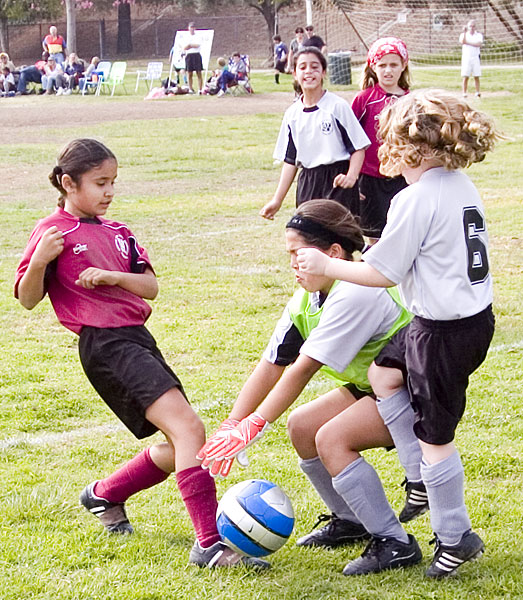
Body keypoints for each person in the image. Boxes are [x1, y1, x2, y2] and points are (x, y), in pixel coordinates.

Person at [14, 138, 269, 570]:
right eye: (100, 183)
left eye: (113, 182)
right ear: (68, 183)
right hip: (105, 344)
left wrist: (112, 276)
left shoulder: (119, 232)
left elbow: (150, 286)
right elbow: (26, 299)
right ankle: (209, 545)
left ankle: (104, 495)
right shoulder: (52, 231)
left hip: (137, 338)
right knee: (189, 428)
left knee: (183, 443)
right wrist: (39, 261)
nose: (109, 192)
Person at [295, 90, 501, 577]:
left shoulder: (416, 197)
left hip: (443, 333)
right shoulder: (460, 184)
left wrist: (326, 265)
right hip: (464, 320)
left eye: (390, 143)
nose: (385, 152)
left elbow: (383, 273)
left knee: (435, 438)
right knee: (384, 374)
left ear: (415, 148)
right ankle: (417, 478)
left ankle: (455, 536)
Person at [198, 199, 425, 574]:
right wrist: (232, 423)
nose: (292, 264)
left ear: (333, 253)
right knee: (302, 427)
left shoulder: (356, 291)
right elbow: (272, 364)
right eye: (289, 254)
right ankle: (350, 520)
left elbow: (303, 369)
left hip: (413, 389)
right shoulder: (307, 296)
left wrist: (255, 424)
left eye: (298, 254)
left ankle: (394, 542)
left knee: (332, 439)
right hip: (373, 386)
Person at [260, 47, 369, 221]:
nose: (309, 71)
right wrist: (277, 200)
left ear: (323, 72)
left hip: (337, 181)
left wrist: (351, 177)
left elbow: (358, 147)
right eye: (302, 67)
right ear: (294, 74)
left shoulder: (337, 107)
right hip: (308, 182)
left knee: (337, 234)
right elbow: (290, 161)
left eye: (315, 67)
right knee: (309, 233)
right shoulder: (292, 114)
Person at [351, 37, 411, 243]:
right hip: (370, 178)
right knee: (375, 237)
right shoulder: (364, 99)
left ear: (403, 65)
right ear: (372, 67)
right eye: (382, 65)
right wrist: (352, 176)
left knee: (402, 234)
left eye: (394, 65)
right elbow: (350, 139)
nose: (388, 71)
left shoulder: (411, 100)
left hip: (403, 176)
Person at [460, 20, 483, 98]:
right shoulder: (463, 35)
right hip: (466, 57)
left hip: (475, 57)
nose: (472, 28)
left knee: (476, 75)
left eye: (473, 26)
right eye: (470, 26)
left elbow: (479, 44)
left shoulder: (479, 35)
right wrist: (464, 33)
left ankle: (477, 92)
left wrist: (468, 43)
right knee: (465, 76)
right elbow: (463, 41)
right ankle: (464, 92)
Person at [184, 22, 203, 94]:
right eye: (190, 27)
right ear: (188, 28)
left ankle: (200, 89)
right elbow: (185, 47)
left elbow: (197, 45)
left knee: (199, 73)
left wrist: (190, 45)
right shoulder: (186, 37)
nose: (191, 29)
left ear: (195, 28)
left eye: (193, 27)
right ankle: (190, 89)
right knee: (189, 73)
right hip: (189, 55)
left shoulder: (198, 36)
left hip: (196, 55)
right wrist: (190, 45)